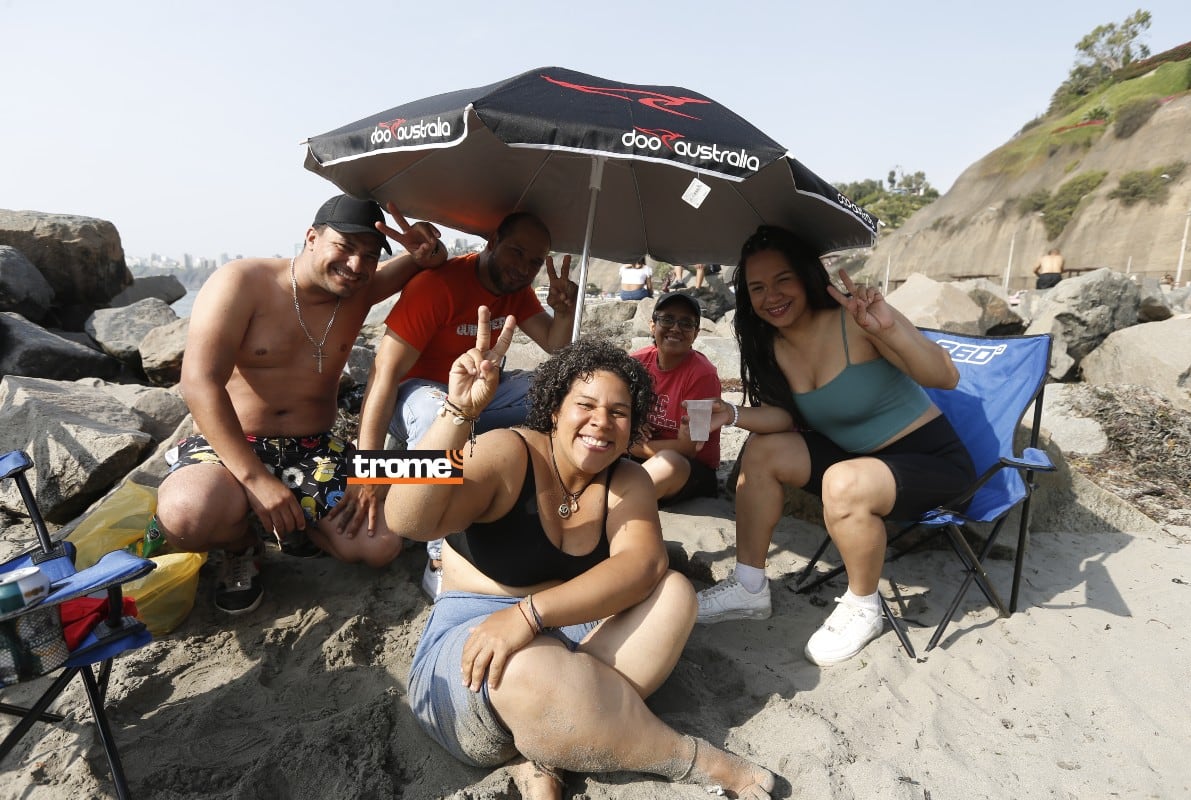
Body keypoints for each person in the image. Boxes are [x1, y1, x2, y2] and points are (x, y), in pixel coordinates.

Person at [380, 312, 775, 799]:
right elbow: (407, 520)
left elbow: (643, 567)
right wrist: (457, 414)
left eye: (619, 412)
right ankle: (686, 757)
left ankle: (545, 747)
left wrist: (532, 613)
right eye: (585, 404)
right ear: (553, 409)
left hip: (563, 631)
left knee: (674, 592)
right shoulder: (508, 452)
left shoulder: (625, 478)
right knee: (531, 670)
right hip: (474, 651)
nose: (601, 423)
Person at [694, 225, 974, 666]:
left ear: (806, 276)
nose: (772, 296)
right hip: (857, 465)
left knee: (844, 481)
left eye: (783, 279)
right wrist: (729, 414)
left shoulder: (856, 319)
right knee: (762, 450)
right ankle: (749, 587)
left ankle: (864, 606)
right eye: (758, 287)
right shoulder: (771, 343)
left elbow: (946, 376)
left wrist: (888, 330)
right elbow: (784, 417)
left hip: (930, 463)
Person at [154, 195, 446, 614]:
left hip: (314, 451)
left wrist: (430, 248)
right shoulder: (242, 282)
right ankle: (242, 546)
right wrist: (255, 480)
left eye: (368, 255)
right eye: (343, 247)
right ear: (311, 238)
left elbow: (425, 260)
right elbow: (198, 383)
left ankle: (298, 528)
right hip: (232, 445)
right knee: (186, 516)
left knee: (381, 544)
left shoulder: (358, 288)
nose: (356, 264)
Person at [354, 211, 578, 596]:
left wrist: (563, 311)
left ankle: (539, 504)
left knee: (559, 390)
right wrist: (369, 469)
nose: (523, 267)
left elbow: (557, 347)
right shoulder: (439, 286)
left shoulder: (516, 291)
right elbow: (383, 373)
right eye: (516, 252)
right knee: (435, 412)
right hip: (413, 394)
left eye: (535, 261)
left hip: (477, 390)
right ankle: (441, 553)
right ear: (492, 241)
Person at [628, 292, 721, 504]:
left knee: (667, 462)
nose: (676, 328)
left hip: (689, 468)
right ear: (653, 325)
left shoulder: (702, 375)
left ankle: (621, 500)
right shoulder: (637, 363)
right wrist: (634, 421)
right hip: (638, 456)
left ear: (696, 333)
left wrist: (626, 445)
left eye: (686, 323)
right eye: (667, 319)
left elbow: (690, 447)